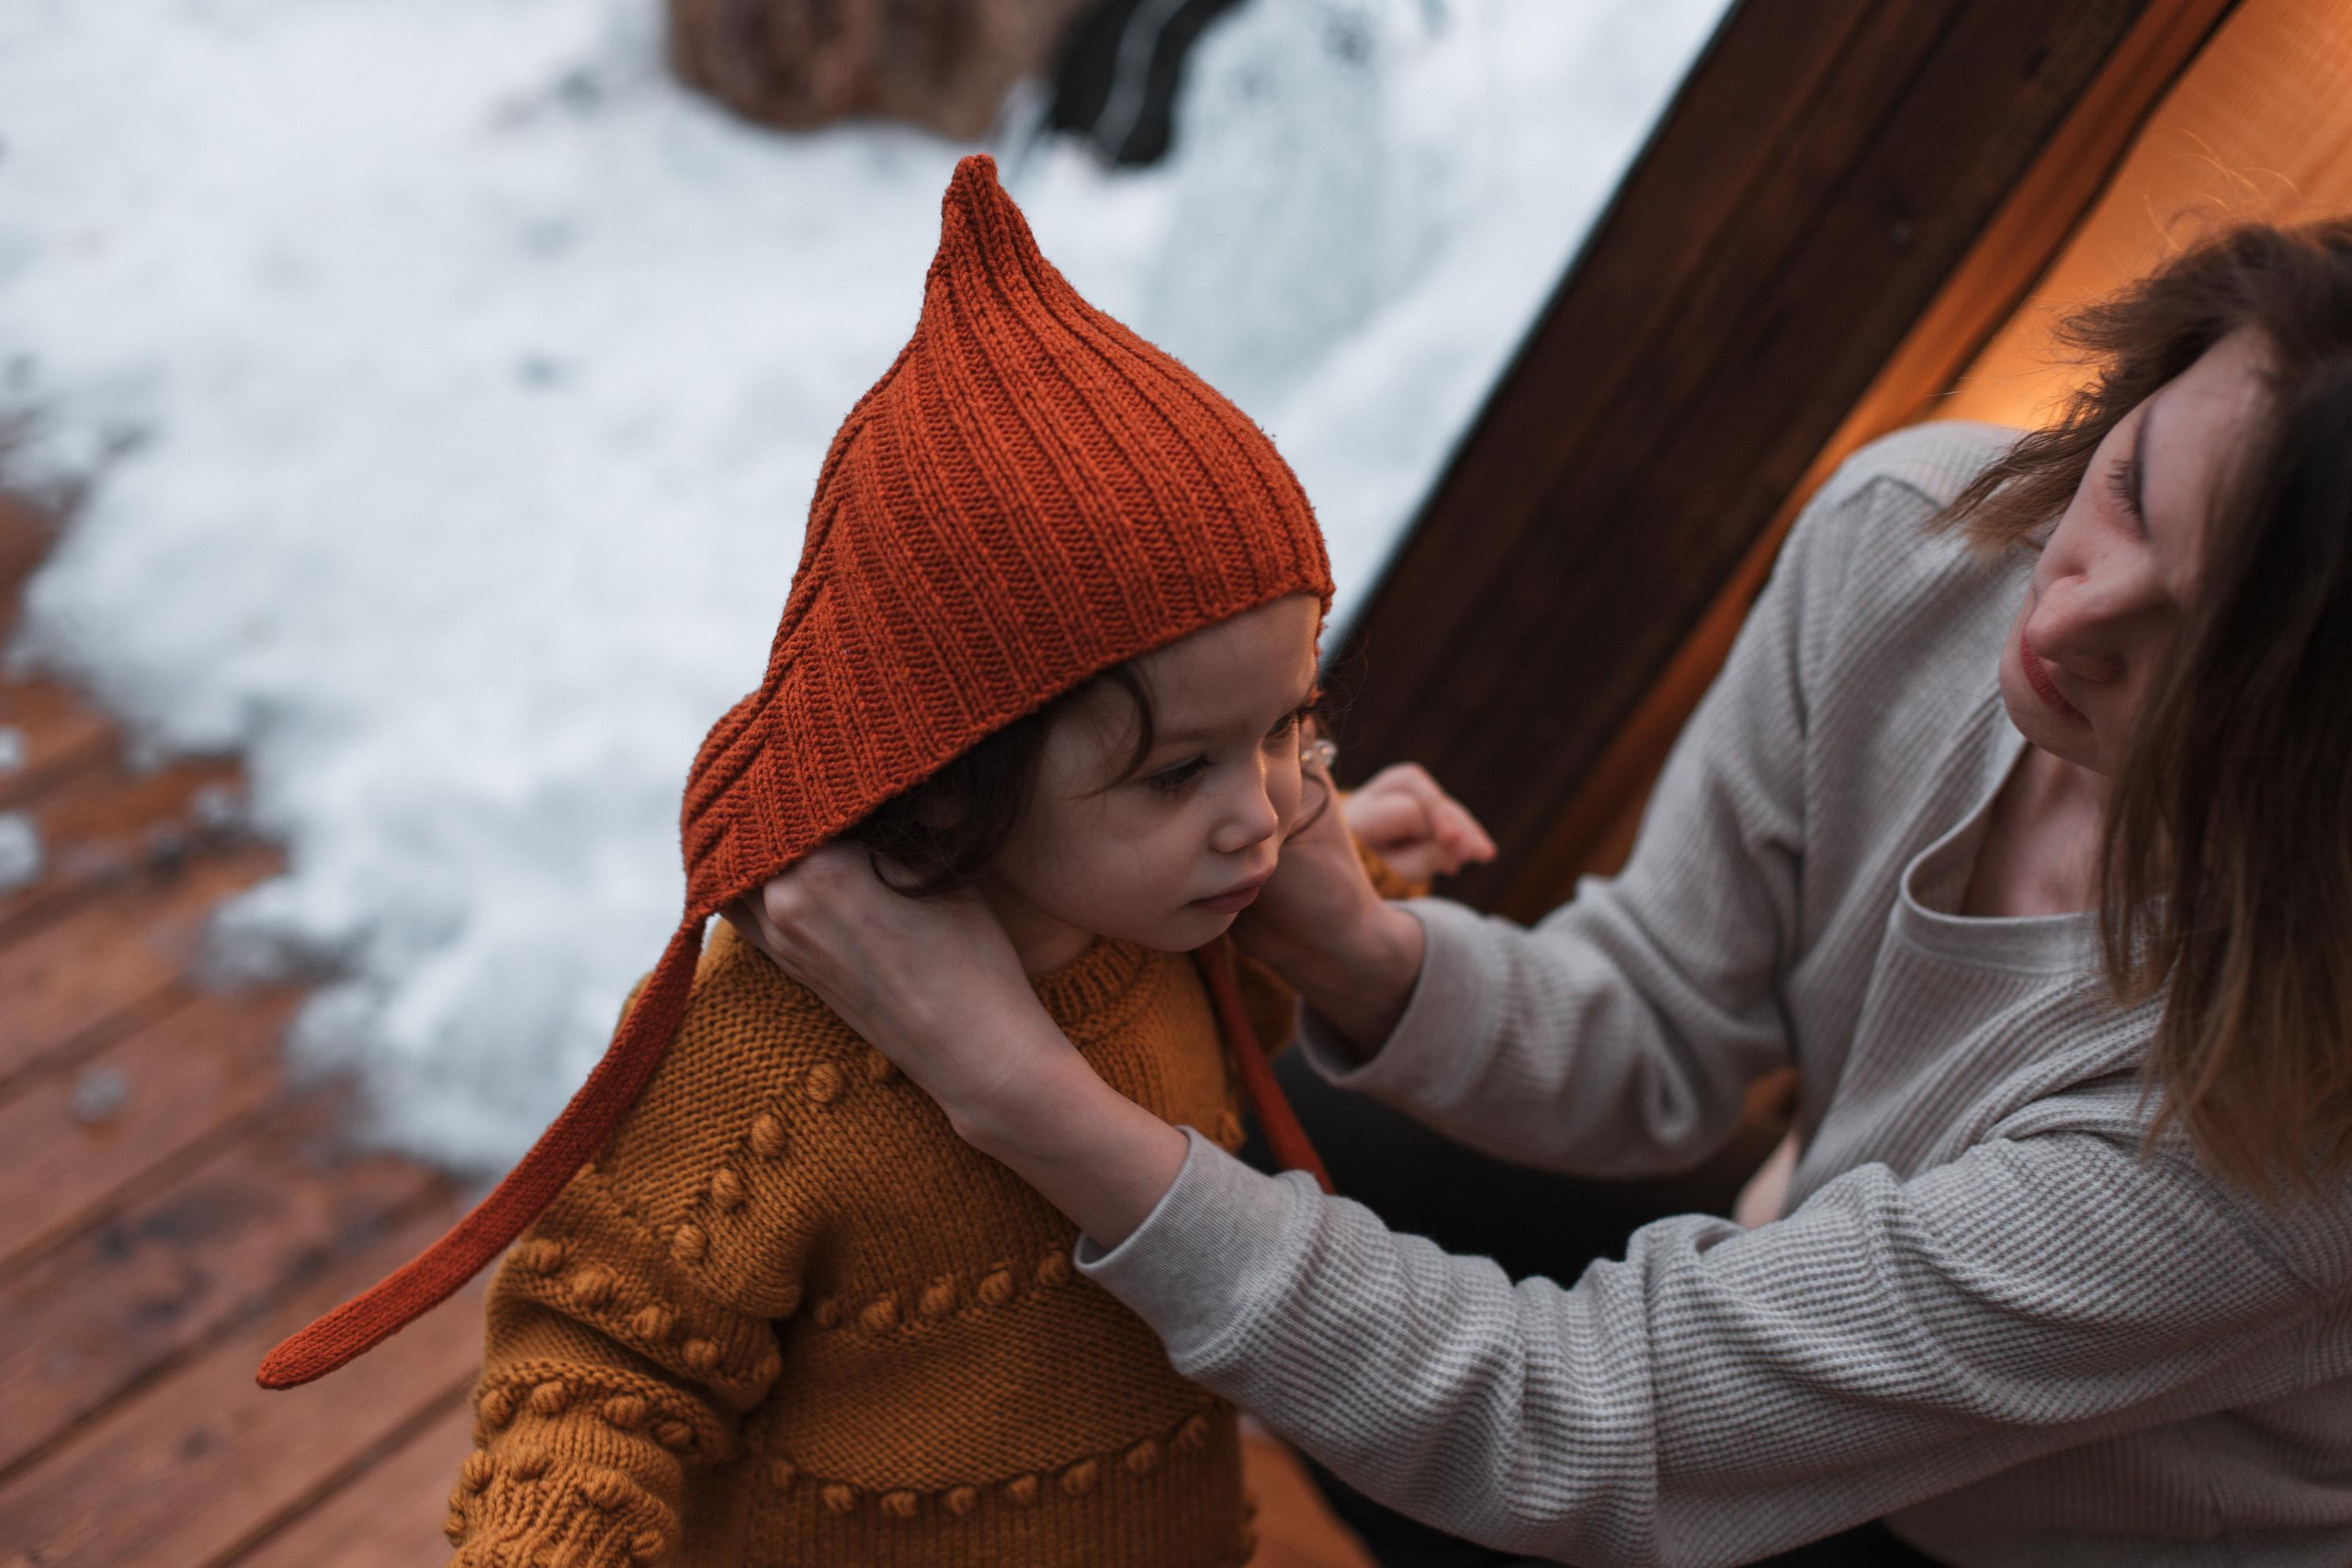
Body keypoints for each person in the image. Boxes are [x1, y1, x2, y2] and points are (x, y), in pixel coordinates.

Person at [729, 218, 2352, 1565]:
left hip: (2022, 1549)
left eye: (2199, 659)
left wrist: (1004, 1075)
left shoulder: (2276, 1138)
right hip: (1819, 1305)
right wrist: (1354, 944)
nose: (2073, 620)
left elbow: (1587, 1425)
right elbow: (1664, 1024)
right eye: (2131, 486)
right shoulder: (1911, 543)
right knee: (1266, 1129)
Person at [251, 154, 1476, 1568]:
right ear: (962, 770)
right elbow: (597, 1358)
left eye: (1290, 730)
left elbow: (1251, 1019)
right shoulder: (781, 1067)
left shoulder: (1167, 932)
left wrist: (1354, 887)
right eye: (1179, 769)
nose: (1263, 813)